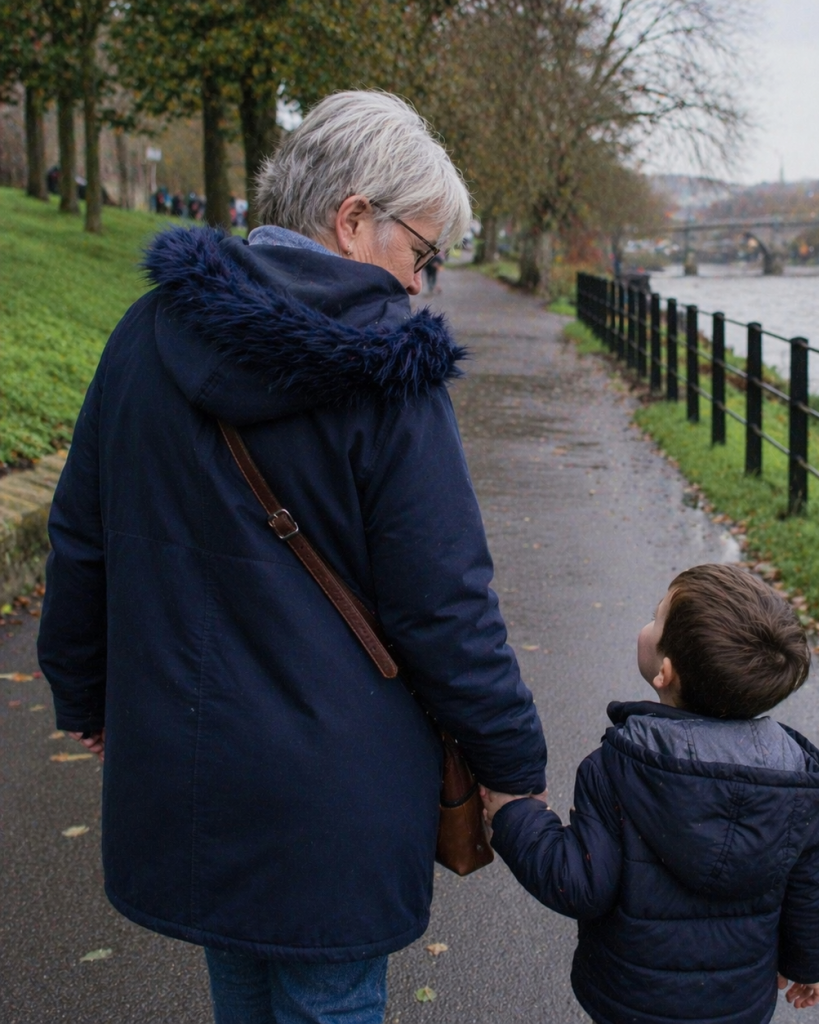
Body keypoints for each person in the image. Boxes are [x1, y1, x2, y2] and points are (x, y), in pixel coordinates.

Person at [38, 90, 547, 1024]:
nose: (420, 287)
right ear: (356, 219)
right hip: (331, 798)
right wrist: (514, 756)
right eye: (423, 254)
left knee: (244, 990)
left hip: (189, 765)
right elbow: (446, 605)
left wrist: (86, 692)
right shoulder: (390, 368)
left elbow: (80, 540)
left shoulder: (146, 332)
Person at [482, 563, 819, 1024]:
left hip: (632, 1000)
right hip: (741, 1001)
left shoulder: (617, 768)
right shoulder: (793, 778)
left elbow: (581, 885)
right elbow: (816, 886)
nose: (648, 624)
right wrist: (808, 964)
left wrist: (515, 817)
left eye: (656, 619)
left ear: (664, 673)